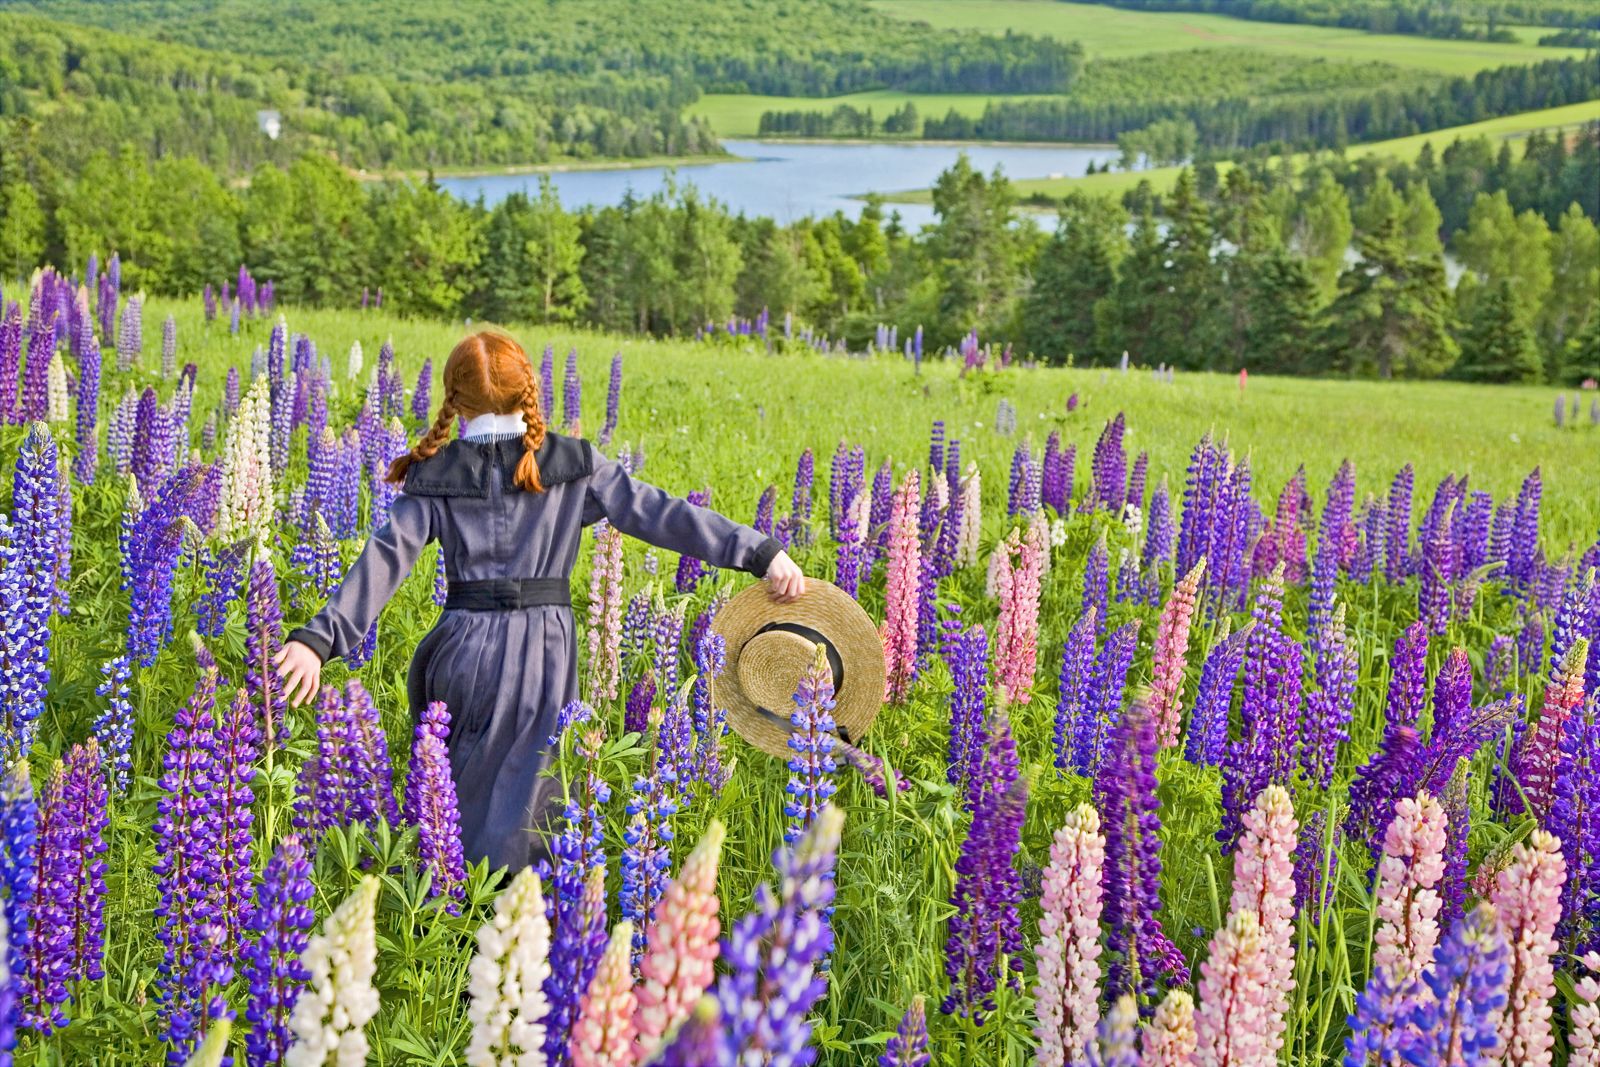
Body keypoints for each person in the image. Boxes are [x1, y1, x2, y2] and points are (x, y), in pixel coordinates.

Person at [275, 329, 804, 871]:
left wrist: (319, 639)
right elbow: (663, 514)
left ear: (455, 402)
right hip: (542, 653)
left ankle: (451, 916)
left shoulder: (436, 475)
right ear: (527, 388)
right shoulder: (573, 464)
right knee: (530, 807)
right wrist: (758, 551)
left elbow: (383, 560)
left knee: (448, 799)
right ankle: (520, 927)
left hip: (460, 650)